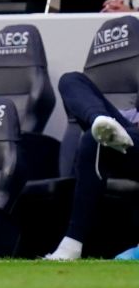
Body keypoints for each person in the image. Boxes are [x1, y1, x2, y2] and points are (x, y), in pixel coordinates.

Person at [44, 70, 139, 261]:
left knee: (95, 137)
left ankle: (71, 244)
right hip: (131, 135)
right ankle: (100, 120)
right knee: (71, 79)